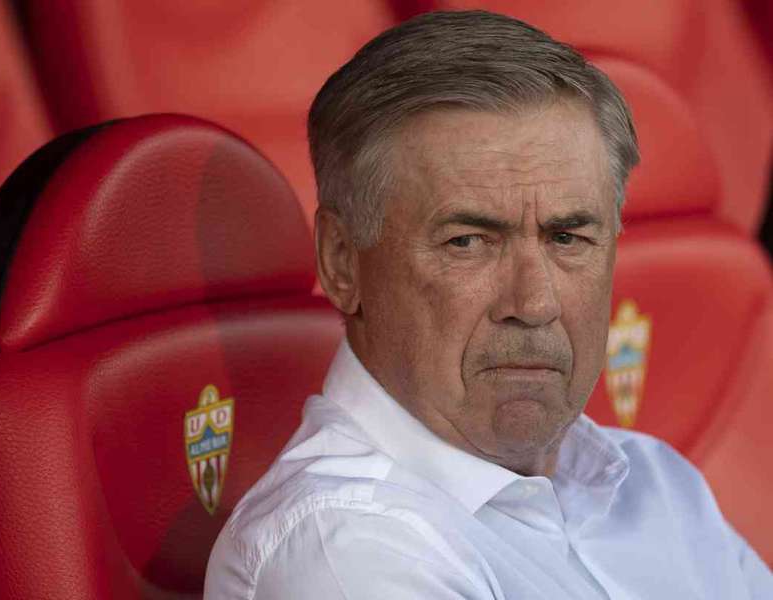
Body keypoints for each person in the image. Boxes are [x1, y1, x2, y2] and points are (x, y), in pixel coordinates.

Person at [204, 10, 772, 599]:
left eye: (567, 238)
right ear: (343, 262)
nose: (534, 302)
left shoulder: (654, 482)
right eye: (468, 242)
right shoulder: (345, 553)